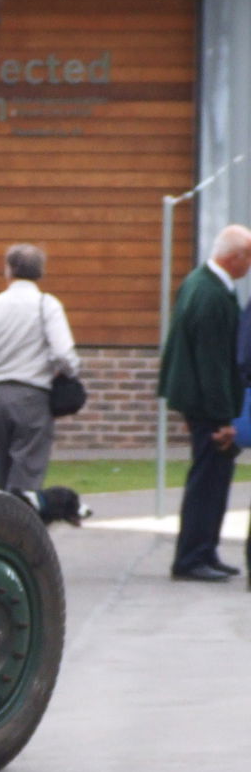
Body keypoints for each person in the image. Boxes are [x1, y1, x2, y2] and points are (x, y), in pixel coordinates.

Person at [157, 223, 251, 582]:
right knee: (208, 480)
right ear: (235, 257)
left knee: (214, 477)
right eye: (249, 257)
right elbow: (212, 363)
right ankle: (192, 557)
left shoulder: (201, 283)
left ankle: (205, 550)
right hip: (210, 406)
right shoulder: (211, 294)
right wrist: (225, 418)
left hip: (199, 402)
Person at [0, 243, 81, 491]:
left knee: (0, 467)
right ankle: (21, 524)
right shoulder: (47, 305)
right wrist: (70, 372)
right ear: (40, 272)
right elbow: (64, 353)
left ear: (8, 270)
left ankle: (2, 521)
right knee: (27, 471)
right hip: (33, 394)